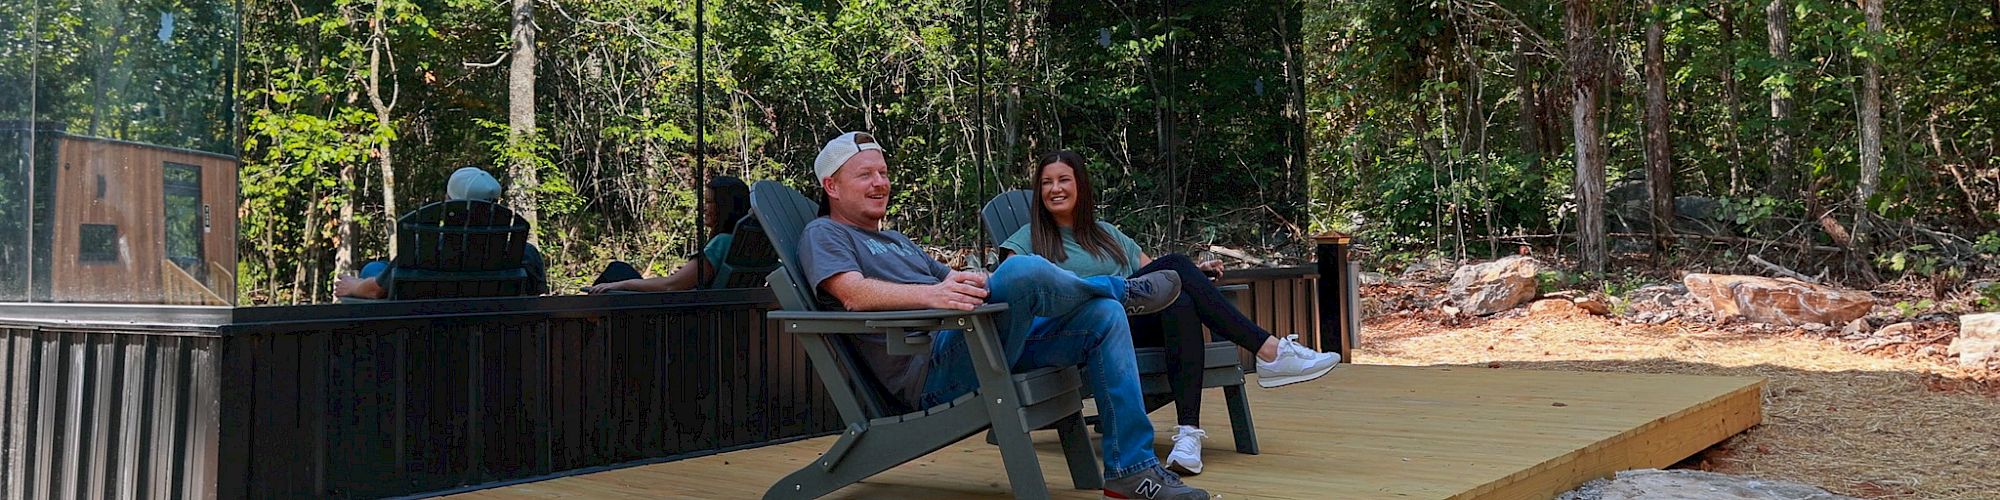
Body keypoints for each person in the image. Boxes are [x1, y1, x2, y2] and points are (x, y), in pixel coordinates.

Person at [800, 131, 1210, 500]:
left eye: (884, 173)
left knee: (1103, 317)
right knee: (1023, 269)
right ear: (831, 186)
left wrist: (975, 280)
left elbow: (956, 280)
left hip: (978, 344)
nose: (880, 183)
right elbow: (851, 294)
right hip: (930, 370)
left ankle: (1130, 471)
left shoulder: (895, 239)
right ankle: (1122, 289)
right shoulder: (824, 233)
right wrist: (935, 294)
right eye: (865, 175)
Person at [999, 150, 1341, 476]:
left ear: (1081, 186)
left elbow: (1157, 280)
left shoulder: (1108, 235)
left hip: (1135, 325)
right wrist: (1181, 273)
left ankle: (1188, 435)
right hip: (1087, 333)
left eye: (1064, 180)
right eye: (1046, 182)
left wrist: (1197, 275)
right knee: (1177, 269)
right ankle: (1270, 352)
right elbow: (1012, 289)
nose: (1055, 189)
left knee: (1180, 298)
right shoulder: (1027, 239)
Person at [334, 167, 550, 299]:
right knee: (378, 268)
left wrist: (354, 287)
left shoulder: (429, 248)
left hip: (427, 337)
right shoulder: (524, 254)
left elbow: (376, 291)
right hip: (498, 338)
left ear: (449, 203)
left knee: (373, 268)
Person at [583, 176, 751, 293]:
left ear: (725, 206)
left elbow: (671, 286)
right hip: (705, 314)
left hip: (676, 317)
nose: (704, 208)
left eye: (709, 202)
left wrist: (622, 285)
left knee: (617, 271)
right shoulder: (741, 243)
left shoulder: (721, 242)